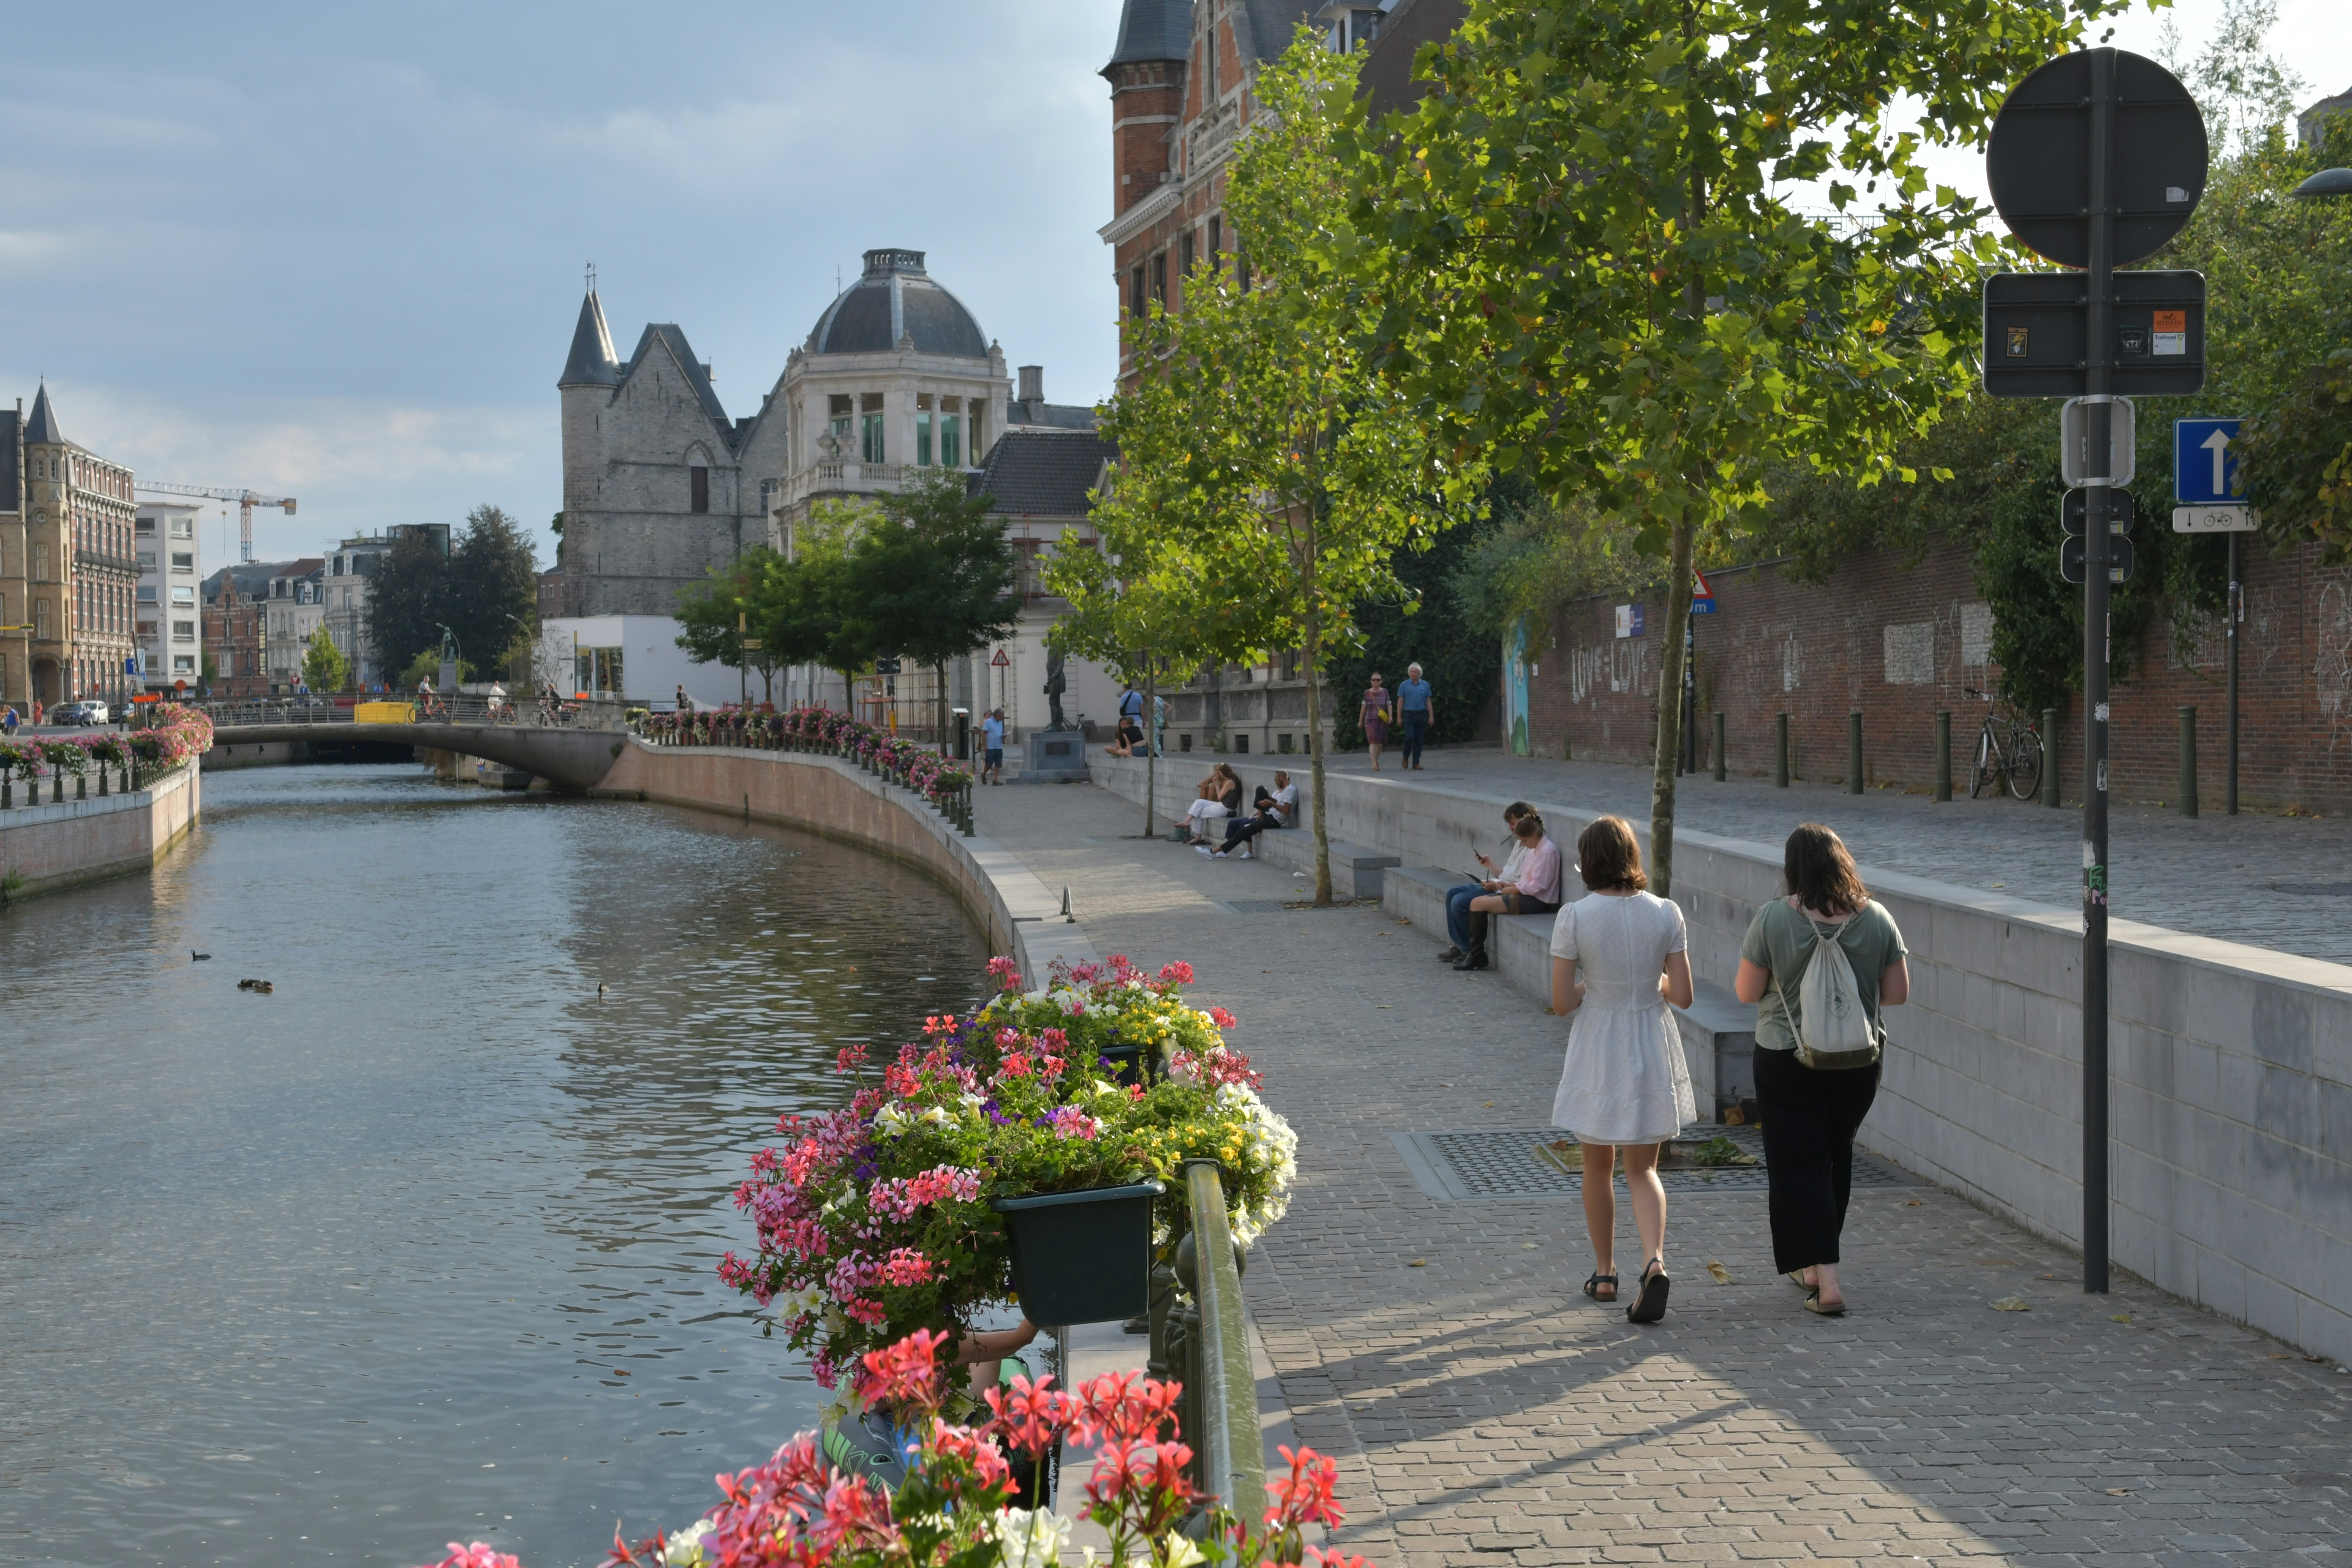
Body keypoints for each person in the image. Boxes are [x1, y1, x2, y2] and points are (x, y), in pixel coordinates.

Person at [1733, 823, 1911, 1317]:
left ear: (1793, 869)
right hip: (1857, 1062)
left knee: (1798, 1163)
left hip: (1786, 1057)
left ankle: (1826, 1279)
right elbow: (1897, 993)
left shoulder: (1772, 920)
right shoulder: (1877, 919)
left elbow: (1747, 992)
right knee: (1834, 1156)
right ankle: (1813, 1266)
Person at [1549, 816, 1696, 1324]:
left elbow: (1562, 1002)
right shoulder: (1665, 912)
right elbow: (1684, 995)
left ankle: (1605, 1272)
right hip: (1650, 1039)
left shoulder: (1575, 916)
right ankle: (1654, 1260)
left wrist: (1598, 988)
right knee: (1643, 1168)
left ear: (1588, 862)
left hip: (1599, 1045)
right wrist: (1648, 982)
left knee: (1597, 1164)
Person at [1454, 809, 1563, 971]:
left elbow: (1539, 887)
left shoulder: (1547, 852)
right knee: (1476, 902)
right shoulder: (1535, 849)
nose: (1524, 845)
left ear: (1534, 835)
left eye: (1525, 841)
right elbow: (1528, 882)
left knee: (1478, 904)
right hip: (1528, 895)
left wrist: (1513, 890)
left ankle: (1477, 956)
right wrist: (1509, 886)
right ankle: (1476, 954)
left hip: (1539, 902)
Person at [1437, 802, 1534, 963]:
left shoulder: (1531, 845)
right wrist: (1489, 865)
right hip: (1499, 884)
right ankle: (1460, 945)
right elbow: (1508, 873)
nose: (1510, 828)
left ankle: (1468, 951)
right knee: (1452, 893)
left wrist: (1495, 886)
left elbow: (1522, 882)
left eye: (1513, 823)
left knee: (1459, 902)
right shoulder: (1519, 844)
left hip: (1504, 890)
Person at [1208, 770, 1297, 858]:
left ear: (1281, 778)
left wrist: (1271, 803)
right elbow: (1276, 803)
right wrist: (1268, 803)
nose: (1275, 783)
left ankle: (1214, 851)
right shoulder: (1281, 791)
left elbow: (1286, 810)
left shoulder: (1290, 790)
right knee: (1260, 790)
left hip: (1273, 821)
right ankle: (1259, 816)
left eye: (1276, 780)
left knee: (1244, 829)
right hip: (1267, 815)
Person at [1397, 662, 1434, 770]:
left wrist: (1431, 716)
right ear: (1409, 673)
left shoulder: (1425, 685)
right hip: (1409, 714)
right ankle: (1406, 756)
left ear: (1419, 674)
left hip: (1421, 714)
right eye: (1412, 672)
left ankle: (1416, 762)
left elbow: (1428, 701)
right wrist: (1399, 717)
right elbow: (1400, 701)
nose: (1413, 674)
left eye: (1415, 672)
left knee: (1419, 739)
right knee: (1409, 737)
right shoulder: (1404, 685)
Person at [1360, 673, 1393, 771]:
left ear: (1381, 681)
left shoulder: (1385, 692)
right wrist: (1360, 720)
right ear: (1371, 681)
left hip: (1382, 720)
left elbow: (1389, 705)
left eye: (1378, 680)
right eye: (1374, 680)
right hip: (1370, 719)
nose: (1376, 682)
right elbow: (1364, 707)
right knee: (1373, 741)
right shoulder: (1367, 693)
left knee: (1380, 743)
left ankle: (1376, 760)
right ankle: (1374, 763)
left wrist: (1391, 717)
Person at [981, 708, 1007, 784]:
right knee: (989, 763)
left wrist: (1003, 736)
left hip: (999, 746)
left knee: (998, 764)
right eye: (1002, 716)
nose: (1003, 717)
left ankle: (995, 780)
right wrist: (985, 745)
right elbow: (983, 733)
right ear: (998, 715)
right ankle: (984, 774)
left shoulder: (1000, 723)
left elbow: (1000, 732)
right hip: (991, 746)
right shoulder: (989, 722)